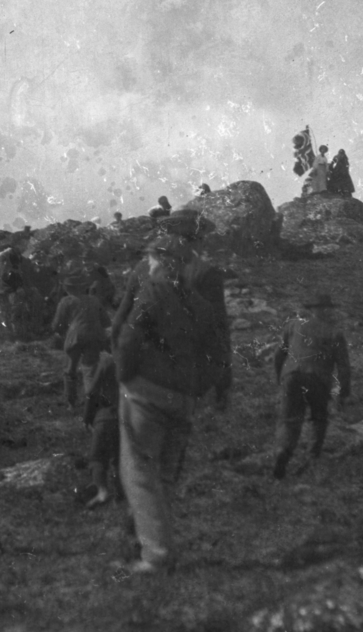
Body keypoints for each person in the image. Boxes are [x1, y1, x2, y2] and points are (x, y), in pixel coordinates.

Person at [115, 234, 231, 573]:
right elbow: (218, 354)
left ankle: (156, 555)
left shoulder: (151, 293)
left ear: (163, 263)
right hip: (183, 400)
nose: (147, 265)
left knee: (138, 473)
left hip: (146, 394)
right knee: (164, 476)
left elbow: (128, 337)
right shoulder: (200, 304)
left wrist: (126, 377)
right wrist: (197, 389)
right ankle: (154, 546)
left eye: (151, 259)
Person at [110, 208, 231, 407]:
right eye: (200, 238)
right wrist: (223, 382)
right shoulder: (207, 275)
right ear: (196, 239)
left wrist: (122, 373)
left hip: (139, 380)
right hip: (183, 383)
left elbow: (119, 322)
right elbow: (219, 333)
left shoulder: (142, 269)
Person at [272, 291, 351, 479]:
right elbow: (344, 368)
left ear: (311, 310)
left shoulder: (293, 325)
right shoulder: (335, 333)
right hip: (318, 379)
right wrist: (343, 394)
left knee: (289, 419)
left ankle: (283, 450)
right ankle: (312, 458)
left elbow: (278, 355)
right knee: (319, 418)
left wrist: (279, 378)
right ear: (327, 311)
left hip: (292, 376)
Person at [51, 269, 110, 408]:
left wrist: (60, 332)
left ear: (68, 288)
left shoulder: (66, 301)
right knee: (89, 370)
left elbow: (57, 324)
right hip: (95, 336)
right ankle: (92, 403)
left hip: (76, 337)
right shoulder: (94, 300)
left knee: (70, 370)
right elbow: (106, 322)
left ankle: (71, 403)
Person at [82, 351, 121, 507]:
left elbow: (91, 393)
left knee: (97, 457)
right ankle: (122, 492)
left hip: (107, 415)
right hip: (130, 415)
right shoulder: (142, 358)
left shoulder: (108, 363)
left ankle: (103, 491)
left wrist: (87, 417)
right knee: (120, 458)